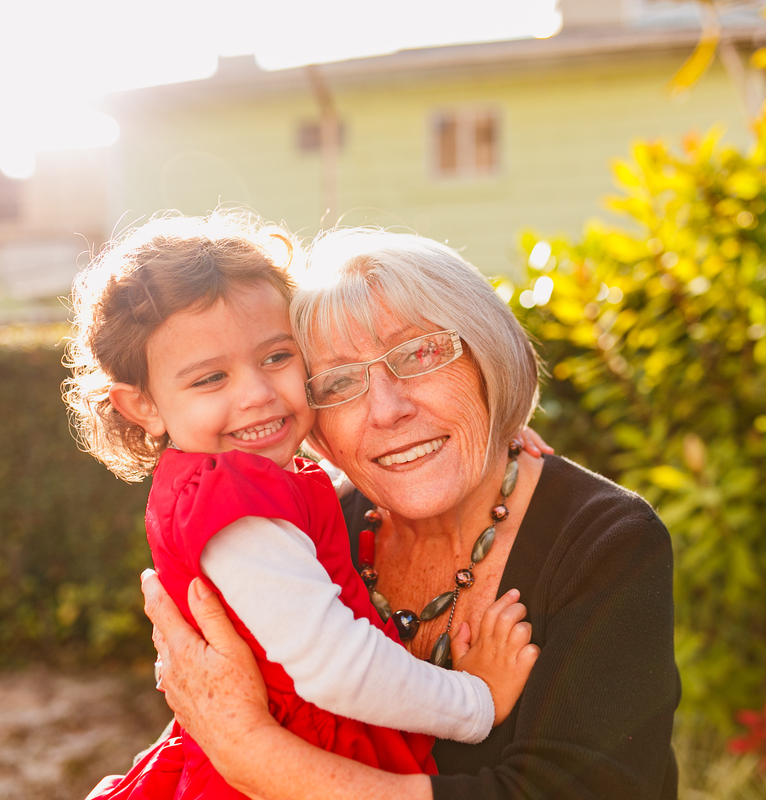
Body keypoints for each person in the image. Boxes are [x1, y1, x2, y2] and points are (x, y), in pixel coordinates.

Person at [143, 228, 682, 800]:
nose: (387, 409)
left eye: (421, 354)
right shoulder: (309, 533)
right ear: (312, 416)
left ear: (486, 358)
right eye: (340, 381)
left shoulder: (606, 543)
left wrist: (255, 755)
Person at [62, 214, 540, 800]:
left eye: (275, 358)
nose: (257, 395)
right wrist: (477, 701)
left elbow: (336, 472)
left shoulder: (246, 480)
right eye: (211, 378)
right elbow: (337, 666)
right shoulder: (237, 512)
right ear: (143, 406)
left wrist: (494, 431)